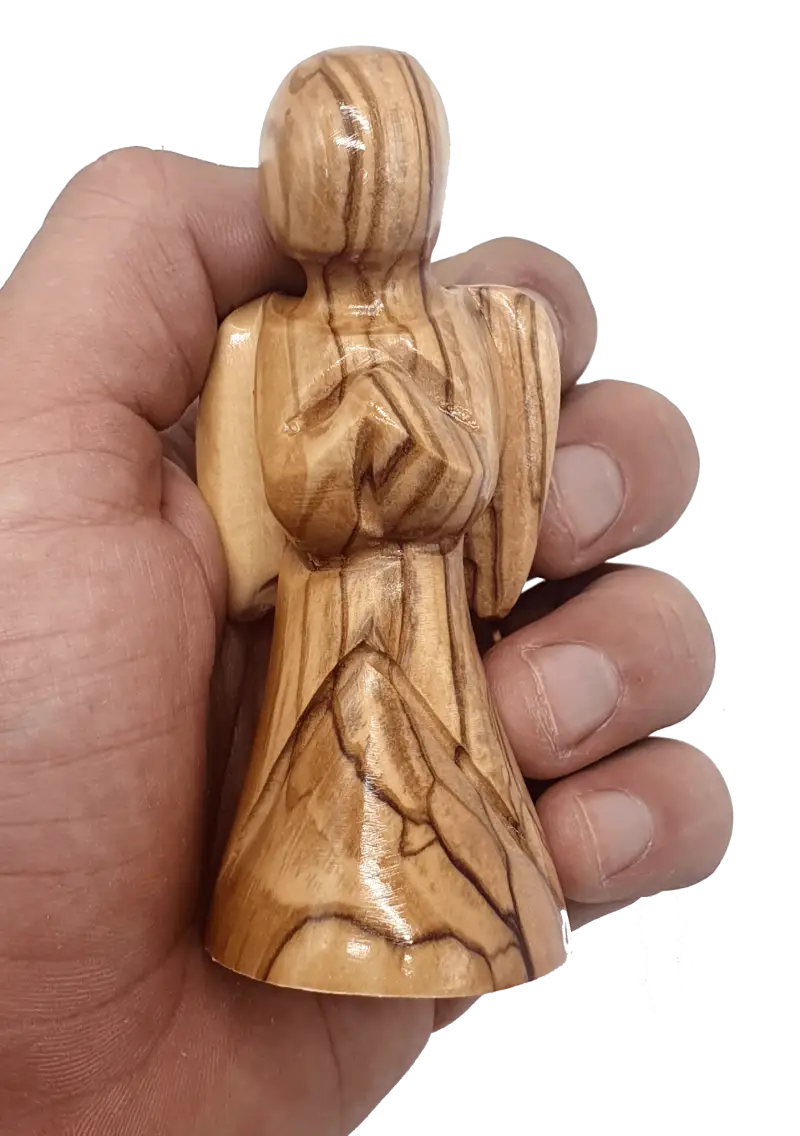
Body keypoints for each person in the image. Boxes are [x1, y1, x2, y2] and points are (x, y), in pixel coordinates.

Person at [0, 150, 731, 1135]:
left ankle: (449, 874)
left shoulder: (486, 330)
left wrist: (423, 457)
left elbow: (492, 564)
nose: (352, 194)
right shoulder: (259, 339)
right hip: (316, 651)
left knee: (459, 757)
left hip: (426, 642)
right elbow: (249, 567)